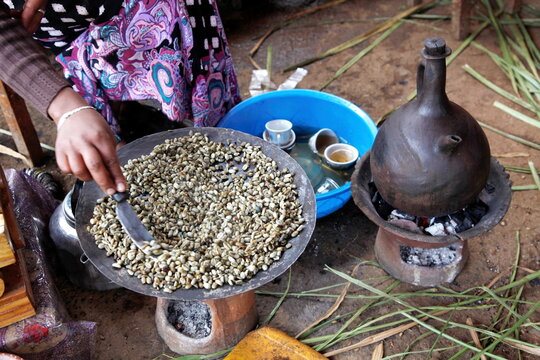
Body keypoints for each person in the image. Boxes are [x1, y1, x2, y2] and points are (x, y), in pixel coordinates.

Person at [0, 0, 241, 196]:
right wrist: (65, 108)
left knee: (186, 59)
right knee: (97, 123)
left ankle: (216, 140)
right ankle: (123, 133)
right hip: (56, 21)